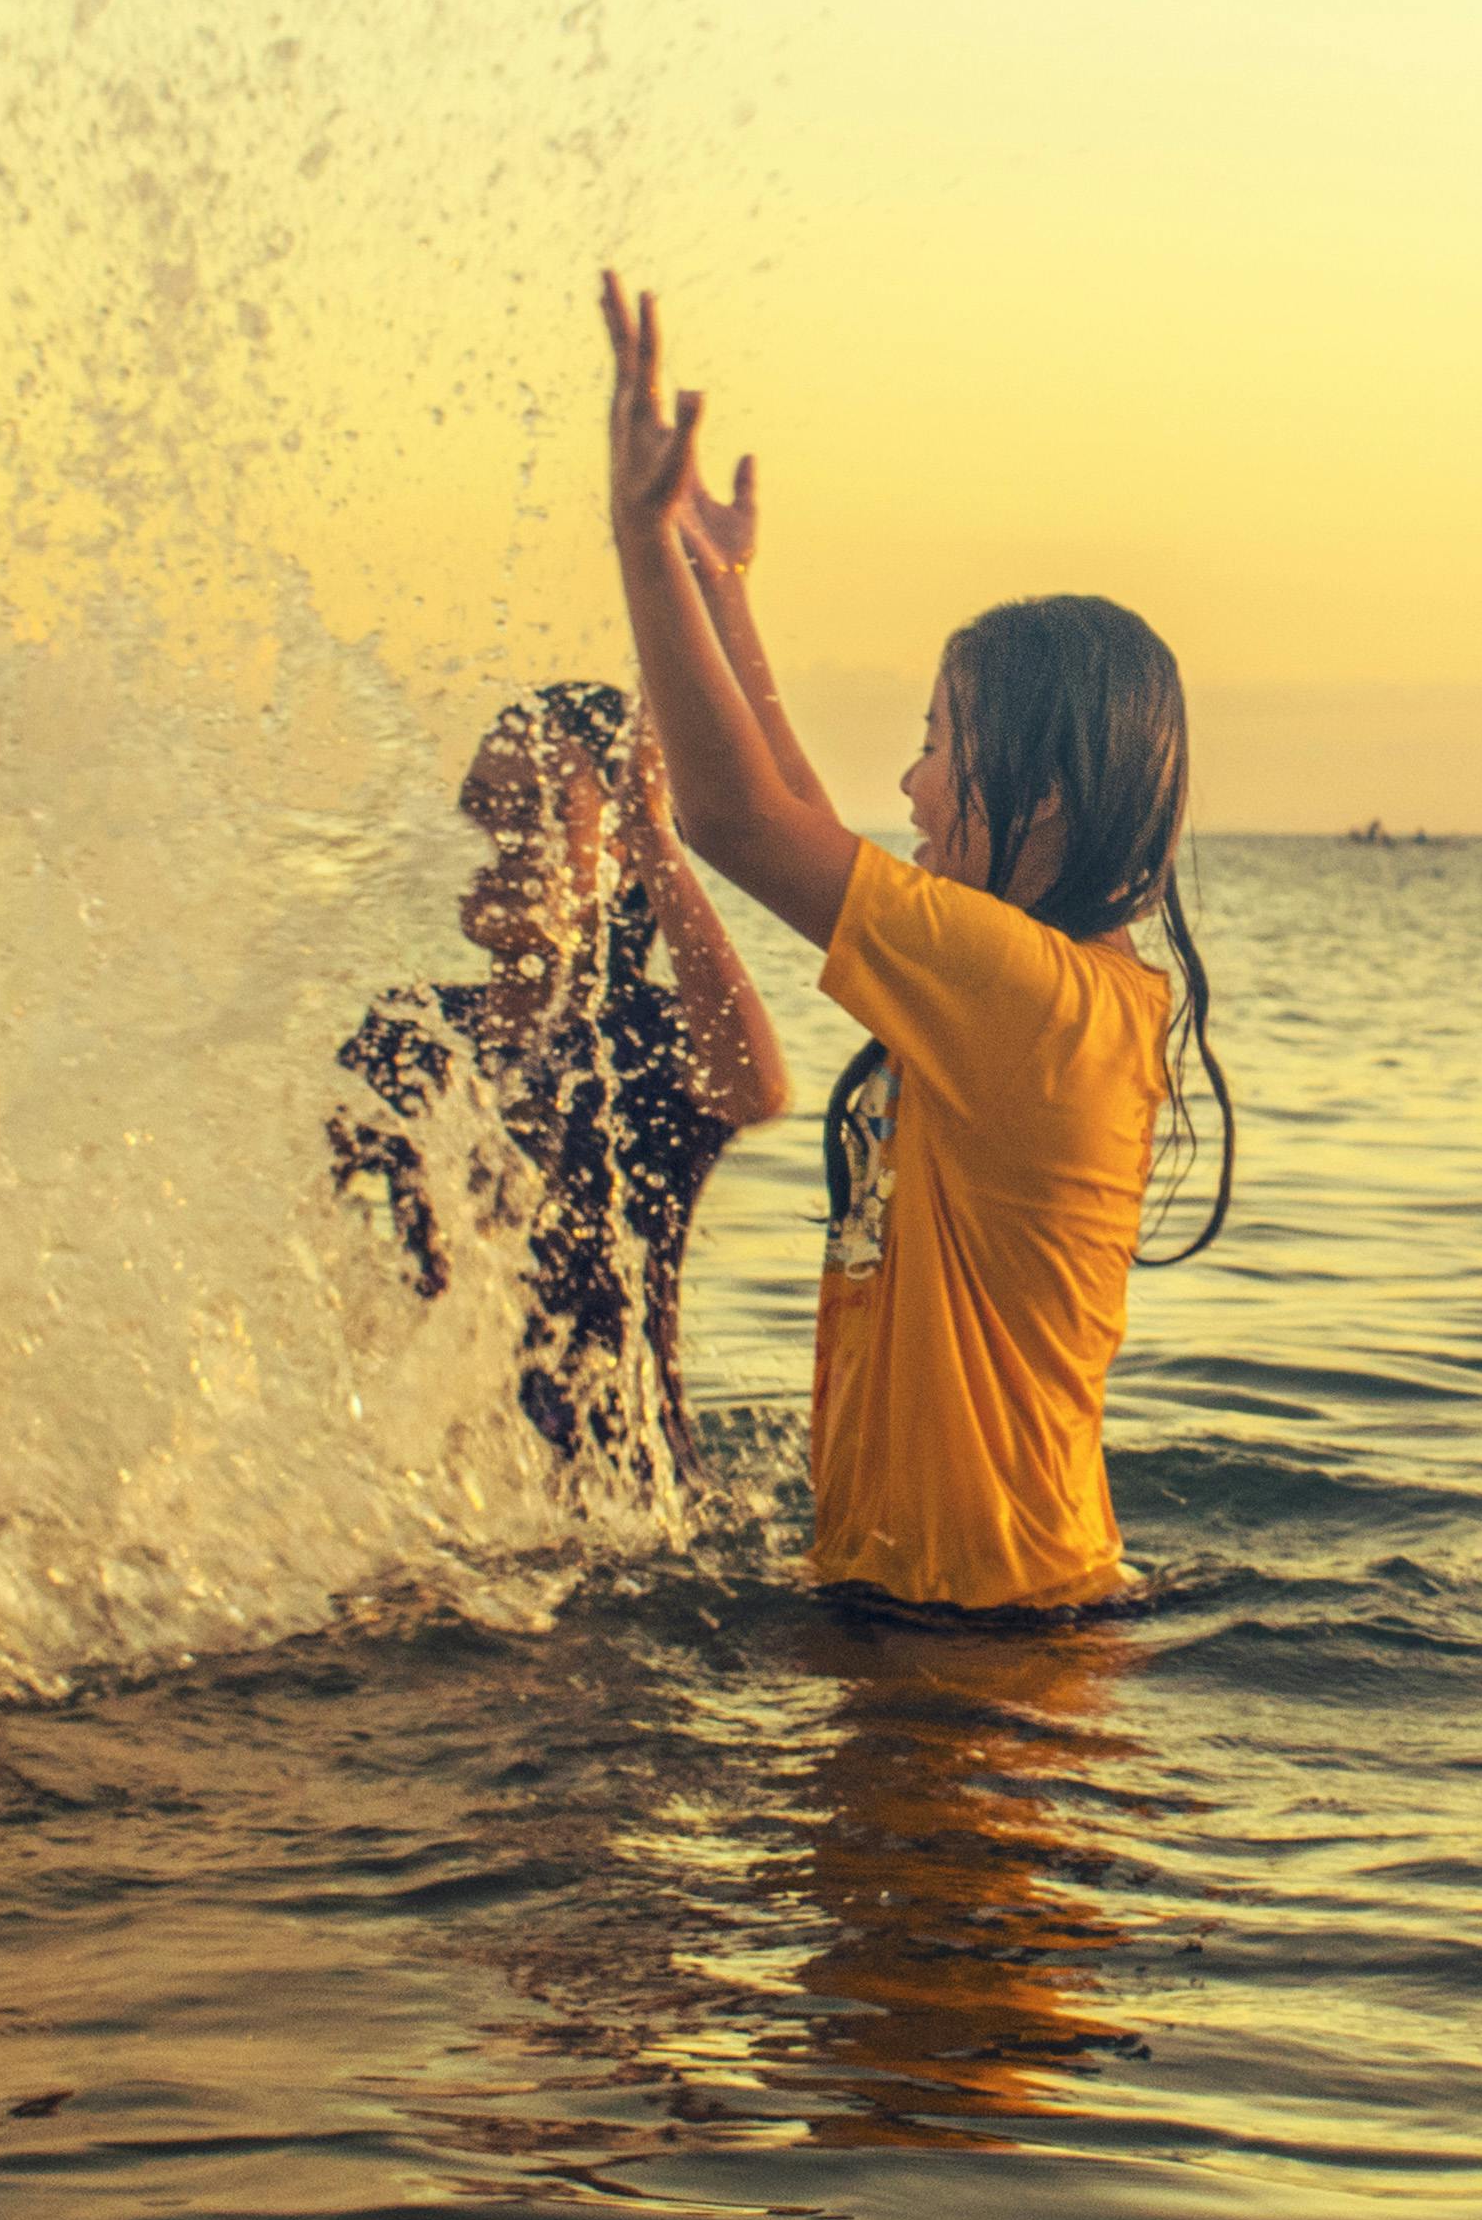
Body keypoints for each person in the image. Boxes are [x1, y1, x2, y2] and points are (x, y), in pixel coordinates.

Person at [594, 274, 1232, 1622]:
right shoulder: (1024, 986)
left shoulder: (1033, 1003)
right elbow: (802, 827)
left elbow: (737, 820)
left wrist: (642, 545)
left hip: (981, 1649)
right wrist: (724, 592)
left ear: (1043, 796)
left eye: (941, 747)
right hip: (942, 1620)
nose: (913, 783)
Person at [331, 681, 786, 1467]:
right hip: (449, 1490)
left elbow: (755, 1088)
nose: (492, 839)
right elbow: (287, 1198)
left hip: (627, 1507)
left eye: (537, 812)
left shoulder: (644, 1042)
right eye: (477, 807)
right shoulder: (414, 1032)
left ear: (620, 852)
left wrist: (654, 835)